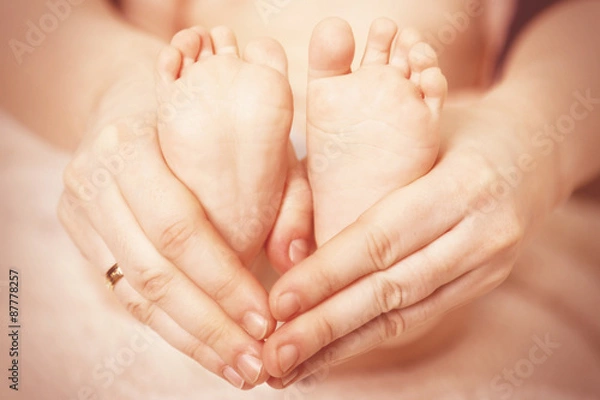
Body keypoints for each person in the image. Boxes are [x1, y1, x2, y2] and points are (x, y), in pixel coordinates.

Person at [1, 0, 599, 393]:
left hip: (417, 151)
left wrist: (520, 130)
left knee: (418, 242)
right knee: (389, 250)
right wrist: (115, 86)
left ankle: (268, 220)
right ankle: (320, 218)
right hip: (343, 126)